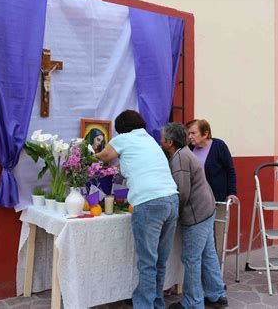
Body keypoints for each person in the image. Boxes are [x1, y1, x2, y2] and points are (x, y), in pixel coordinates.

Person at [95, 110, 178, 309]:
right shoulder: (150, 140)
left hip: (149, 203)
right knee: (160, 260)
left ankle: (144, 306)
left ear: (121, 128)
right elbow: (129, 166)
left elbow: (105, 155)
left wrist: (84, 156)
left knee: (148, 262)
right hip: (172, 200)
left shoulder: (124, 139)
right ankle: (156, 304)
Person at [161, 123, 228, 309]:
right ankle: (217, 295)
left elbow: (182, 192)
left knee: (191, 259)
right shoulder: (184, 153)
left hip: (197, 213)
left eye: (162, 138)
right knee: (208, 254)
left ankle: (193, 302)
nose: (160, 141)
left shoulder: (180, 158)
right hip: (207, 208)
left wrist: (173, 214)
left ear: (169, 142)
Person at [186, 119, 238, 264]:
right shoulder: (190, 149)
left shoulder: (218, 146)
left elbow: (230, 170)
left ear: (205, 133)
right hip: (197, 201)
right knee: (201, 237)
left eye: (193, 133)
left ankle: (217, 273)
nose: (190, 136)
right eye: (188, 133)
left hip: (217, 199)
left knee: (218, 235)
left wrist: (232, 192)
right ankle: (204, 270)